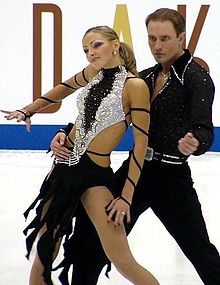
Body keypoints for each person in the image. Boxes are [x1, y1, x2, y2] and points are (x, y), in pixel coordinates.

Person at [50, 8, 220, 285]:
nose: (157, 46)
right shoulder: (146, 77)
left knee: (199, 251)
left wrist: (196, 142)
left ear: (181, 38)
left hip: (171, 179)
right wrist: (65, 131)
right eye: (152, 39)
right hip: (136, 171)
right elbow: (102, 112)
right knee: (90, 244)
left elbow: (203, 128)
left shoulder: (196, 78)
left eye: (164, 38)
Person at [1, 26, 160, 285]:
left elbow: (141, 144)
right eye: (86, 49)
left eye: (96, 45)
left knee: (122, 260)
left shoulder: (135, 85)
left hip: (95, 175)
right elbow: (63, 90)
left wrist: (126, 197)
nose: (91, 53)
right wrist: (29, 110)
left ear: (116, 45)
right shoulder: (93, 73)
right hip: (63, 167)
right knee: (45, 251)